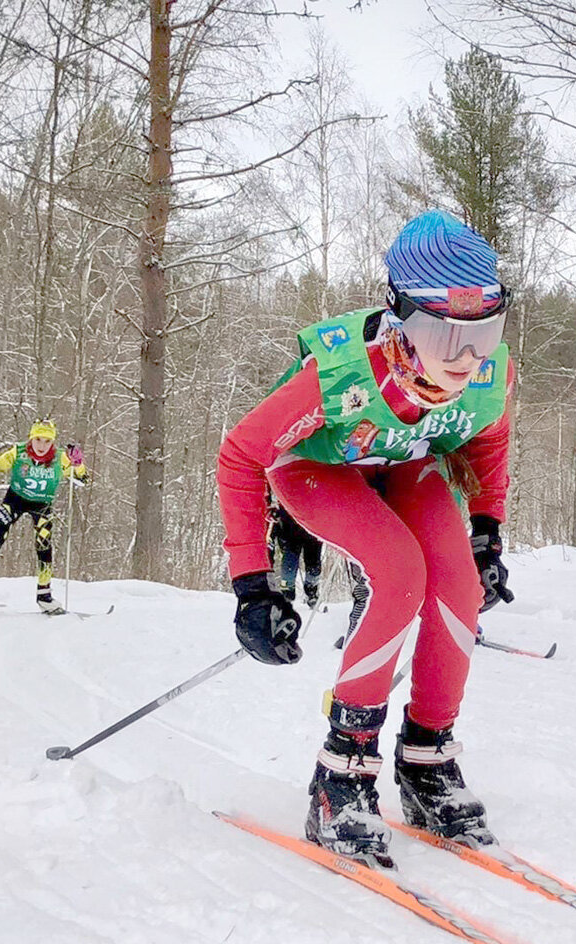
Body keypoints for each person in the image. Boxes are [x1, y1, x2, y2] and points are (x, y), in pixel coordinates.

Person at [217, 210, 515, 866]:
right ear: (401, 319)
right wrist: (251, 584)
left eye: (485, 334)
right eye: (444, 338)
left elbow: (489, 438)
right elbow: (241, 455)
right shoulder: (340, 374)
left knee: (458, 585)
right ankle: (342, 776)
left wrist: (487, 534)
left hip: (406, 457)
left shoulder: (490, 374)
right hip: (318, 465)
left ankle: (426, 757)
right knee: (399, 572)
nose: (467, 361)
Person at [0, 419, 90, 613]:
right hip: (15, 499)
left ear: (53, 442)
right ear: (31, 438)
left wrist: (78, 463)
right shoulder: (19, 452)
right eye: (38, 439)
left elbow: (83, 479)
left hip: (42, 504)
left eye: (47, 441)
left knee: (44, 545)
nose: (41, 445)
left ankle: (44, 595)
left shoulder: (60, 458)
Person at [268, 502, 323, 607]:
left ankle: (311, 593)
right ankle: (287, 595)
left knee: (313, 564)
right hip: (290, 529)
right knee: (289, 565)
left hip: (312, 527)